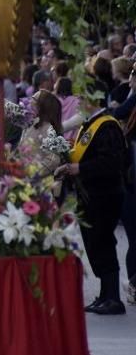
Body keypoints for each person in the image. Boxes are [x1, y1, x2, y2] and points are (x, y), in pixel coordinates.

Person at [57, 110, 130, 315]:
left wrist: (80, 168)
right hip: (90, 195)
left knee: (103, 242)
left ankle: (114, 298)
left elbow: (113, 162)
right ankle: (105, 295)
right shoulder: (90, 124)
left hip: (105, 194)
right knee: (94, 243)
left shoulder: (107, 125)